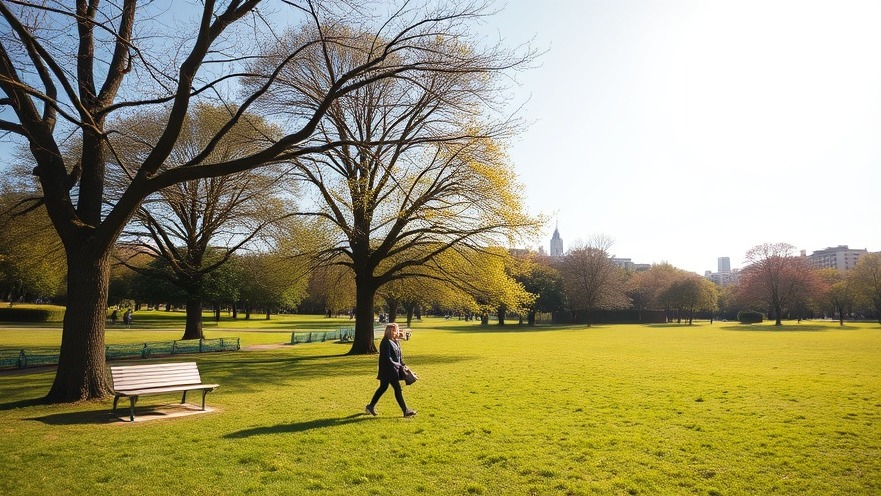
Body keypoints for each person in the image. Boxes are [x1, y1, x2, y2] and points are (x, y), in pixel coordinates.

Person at [366, 323, 417, 417]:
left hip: (393, 369)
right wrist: (399, 366)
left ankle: (370, 406)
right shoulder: (385, 342)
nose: (397, 331)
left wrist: (406, 367)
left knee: (383, 387)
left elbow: (399, 358)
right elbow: (387, 358)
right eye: (396, 329)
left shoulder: (396, 341)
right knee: (397, 389)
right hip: (388, 370)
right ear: (391, 331)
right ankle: (405, 411)